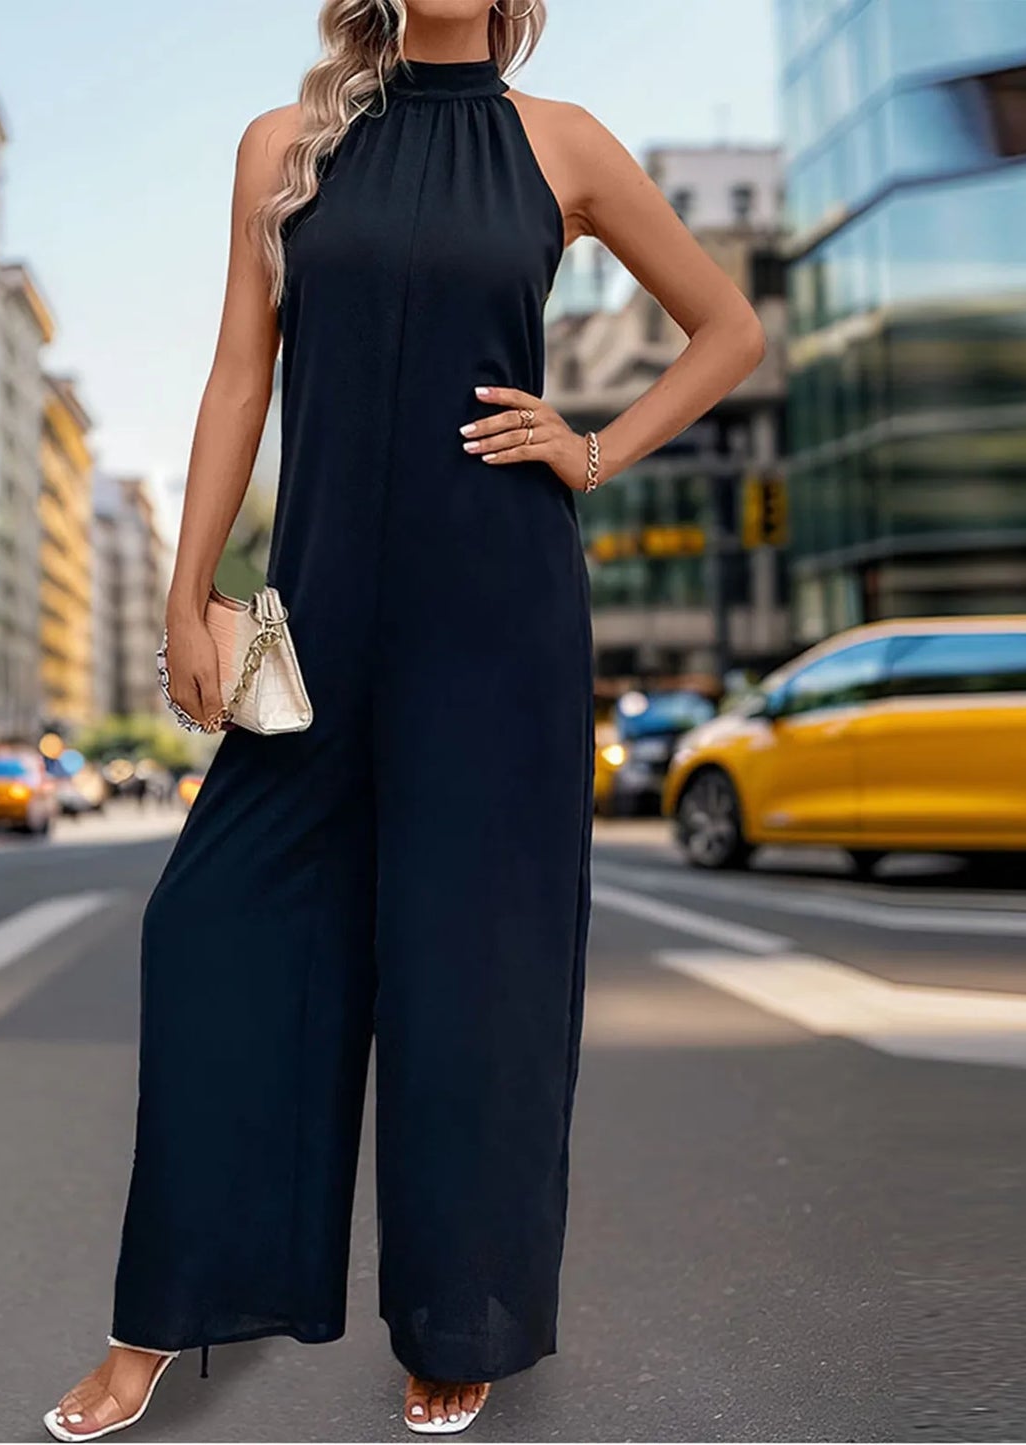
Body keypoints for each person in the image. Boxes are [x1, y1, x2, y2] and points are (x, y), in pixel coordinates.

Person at [47, 0, 763, 1437]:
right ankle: (166, 1314)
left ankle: (461, 1316)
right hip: (312, 616)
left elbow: (728, 327)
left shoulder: (562, 145)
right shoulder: (285, 142)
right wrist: (190, 593)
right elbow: (239, 372)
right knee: (213, 936)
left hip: (497, 617)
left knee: (471, 976)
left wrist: (595, 449)